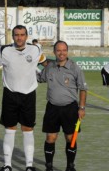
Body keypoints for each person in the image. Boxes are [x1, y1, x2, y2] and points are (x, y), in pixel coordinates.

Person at [0, 25, 45, 171]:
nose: (19, 37)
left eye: (22, 34)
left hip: (29, 94)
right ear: (13, 36)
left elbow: (44, 61)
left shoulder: (35, 49)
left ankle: (29, 165)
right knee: (10, 129)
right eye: (16, 35)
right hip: (10, 93)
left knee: (28, 129)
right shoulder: (4, 50)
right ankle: (7, 165)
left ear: (26, 36)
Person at [37, 40, 87, 171]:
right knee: (50, 137)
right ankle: (49, 166)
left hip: (70, 108)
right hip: (52, 107)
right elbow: (39, 78)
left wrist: (82, 108)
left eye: (64, 50)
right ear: (54, 52)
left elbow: (83, 89)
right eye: (58, 50)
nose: (61, 53)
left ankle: (70, 166)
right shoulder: (49, 67)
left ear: (67, 51)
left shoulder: (75, 67)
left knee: (70, 138)